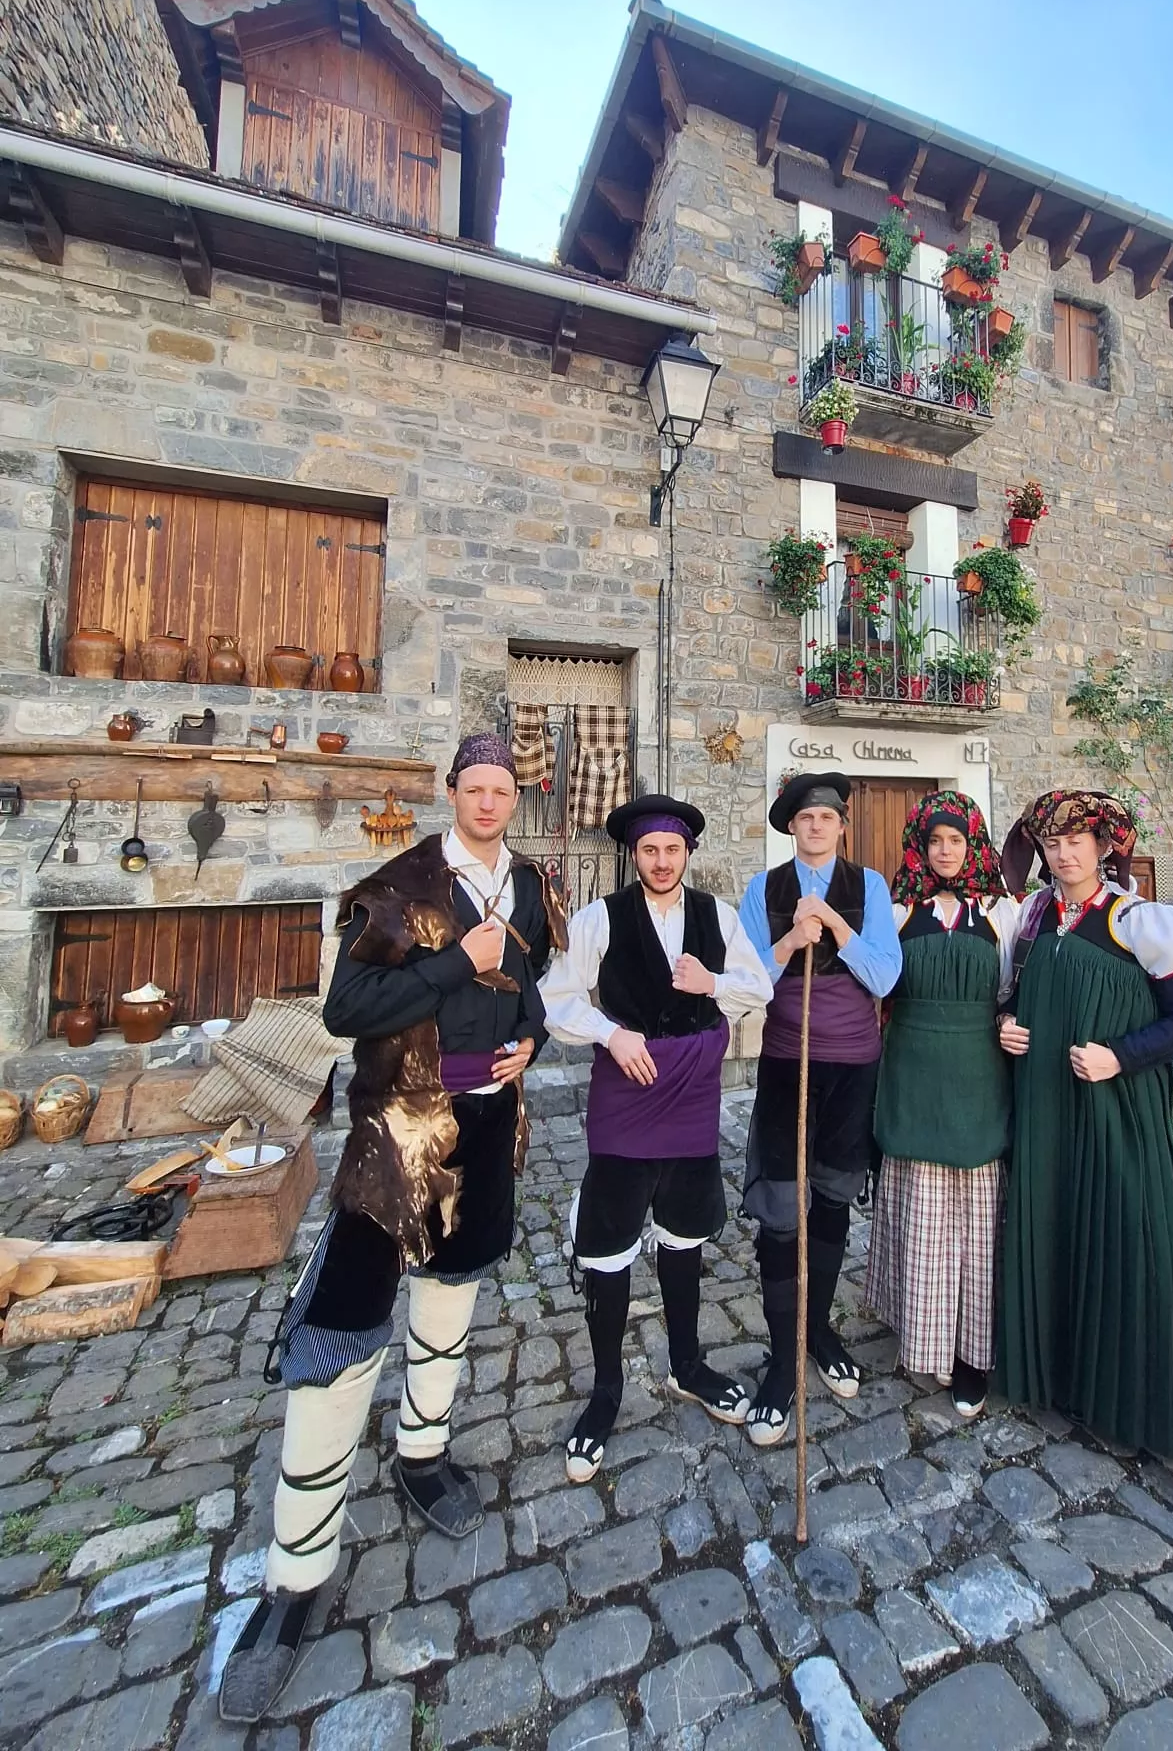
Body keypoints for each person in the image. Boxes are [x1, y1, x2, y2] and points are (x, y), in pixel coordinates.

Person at [221, 733, 561, 1724]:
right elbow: (346, 1006)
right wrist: (460, 958)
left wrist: (529, 1033)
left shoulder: (532, 884)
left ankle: (423, 1452)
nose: (489, 802)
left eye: (503, 789)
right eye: (475, 788)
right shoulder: (394, 884)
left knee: (455, 1287)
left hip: (491, 1120)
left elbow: (530, 984)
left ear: (514, 796)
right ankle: (294, 1578)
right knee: (341, 1327)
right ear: (451, 792)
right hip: (396, 1127)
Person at [994, 788, 1173, 1560]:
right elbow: (1014, 1002)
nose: (1065, 852)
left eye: (1079, 840)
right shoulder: (1036, 919)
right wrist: (1006, 1029)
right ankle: (1089, 1389)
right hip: (1047, 1117)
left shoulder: (1138, 921)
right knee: (1069, 1240)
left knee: (1157, 1260)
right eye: (1054, 841)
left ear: (1104, 846)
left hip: (1120, 1120)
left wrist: (1122, 1055)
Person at [539, 793, 773, 1482]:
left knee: (683, 1229)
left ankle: (688, 1365)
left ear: (688, 855)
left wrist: (713, 980)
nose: (662, 861)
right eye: (649, 851)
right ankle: (607, 1389)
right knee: (609, 1241)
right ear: (633, 856)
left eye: (672, 850)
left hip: (694, 1095)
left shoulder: (716, 917)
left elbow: (755, 988)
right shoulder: (599, 918)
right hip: (627, 1090)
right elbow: (557, 998)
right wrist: (612, 1034)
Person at [738, 771, 903, 1447]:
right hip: (786, 1062)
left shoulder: (870, 888)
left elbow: (886, 976)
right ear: (791, 826)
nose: (816, 826)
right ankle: (781, 1362)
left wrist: (834, 926)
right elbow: (745, 980)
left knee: (832, 1198)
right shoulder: (763, 889)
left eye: (827, 817)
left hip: (852, 1063)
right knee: (783, 1208)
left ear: (841, 826)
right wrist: (788, 943)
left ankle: (818, 1329)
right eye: (804, 816)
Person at [864, 791, 1015, 1420]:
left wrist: (1009, 1020)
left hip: (978, 1074)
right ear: (921, 849)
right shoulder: (900, 913)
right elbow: (871, 981)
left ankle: (974, 1351)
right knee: (920, 1201)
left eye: (956, 840)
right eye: (935, 842)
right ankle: (923, 1334)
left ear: (973, 844)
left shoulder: (1002, 915)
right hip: (914, 1071)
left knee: (976, 1213)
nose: (945, 851)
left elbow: (1012, 987)